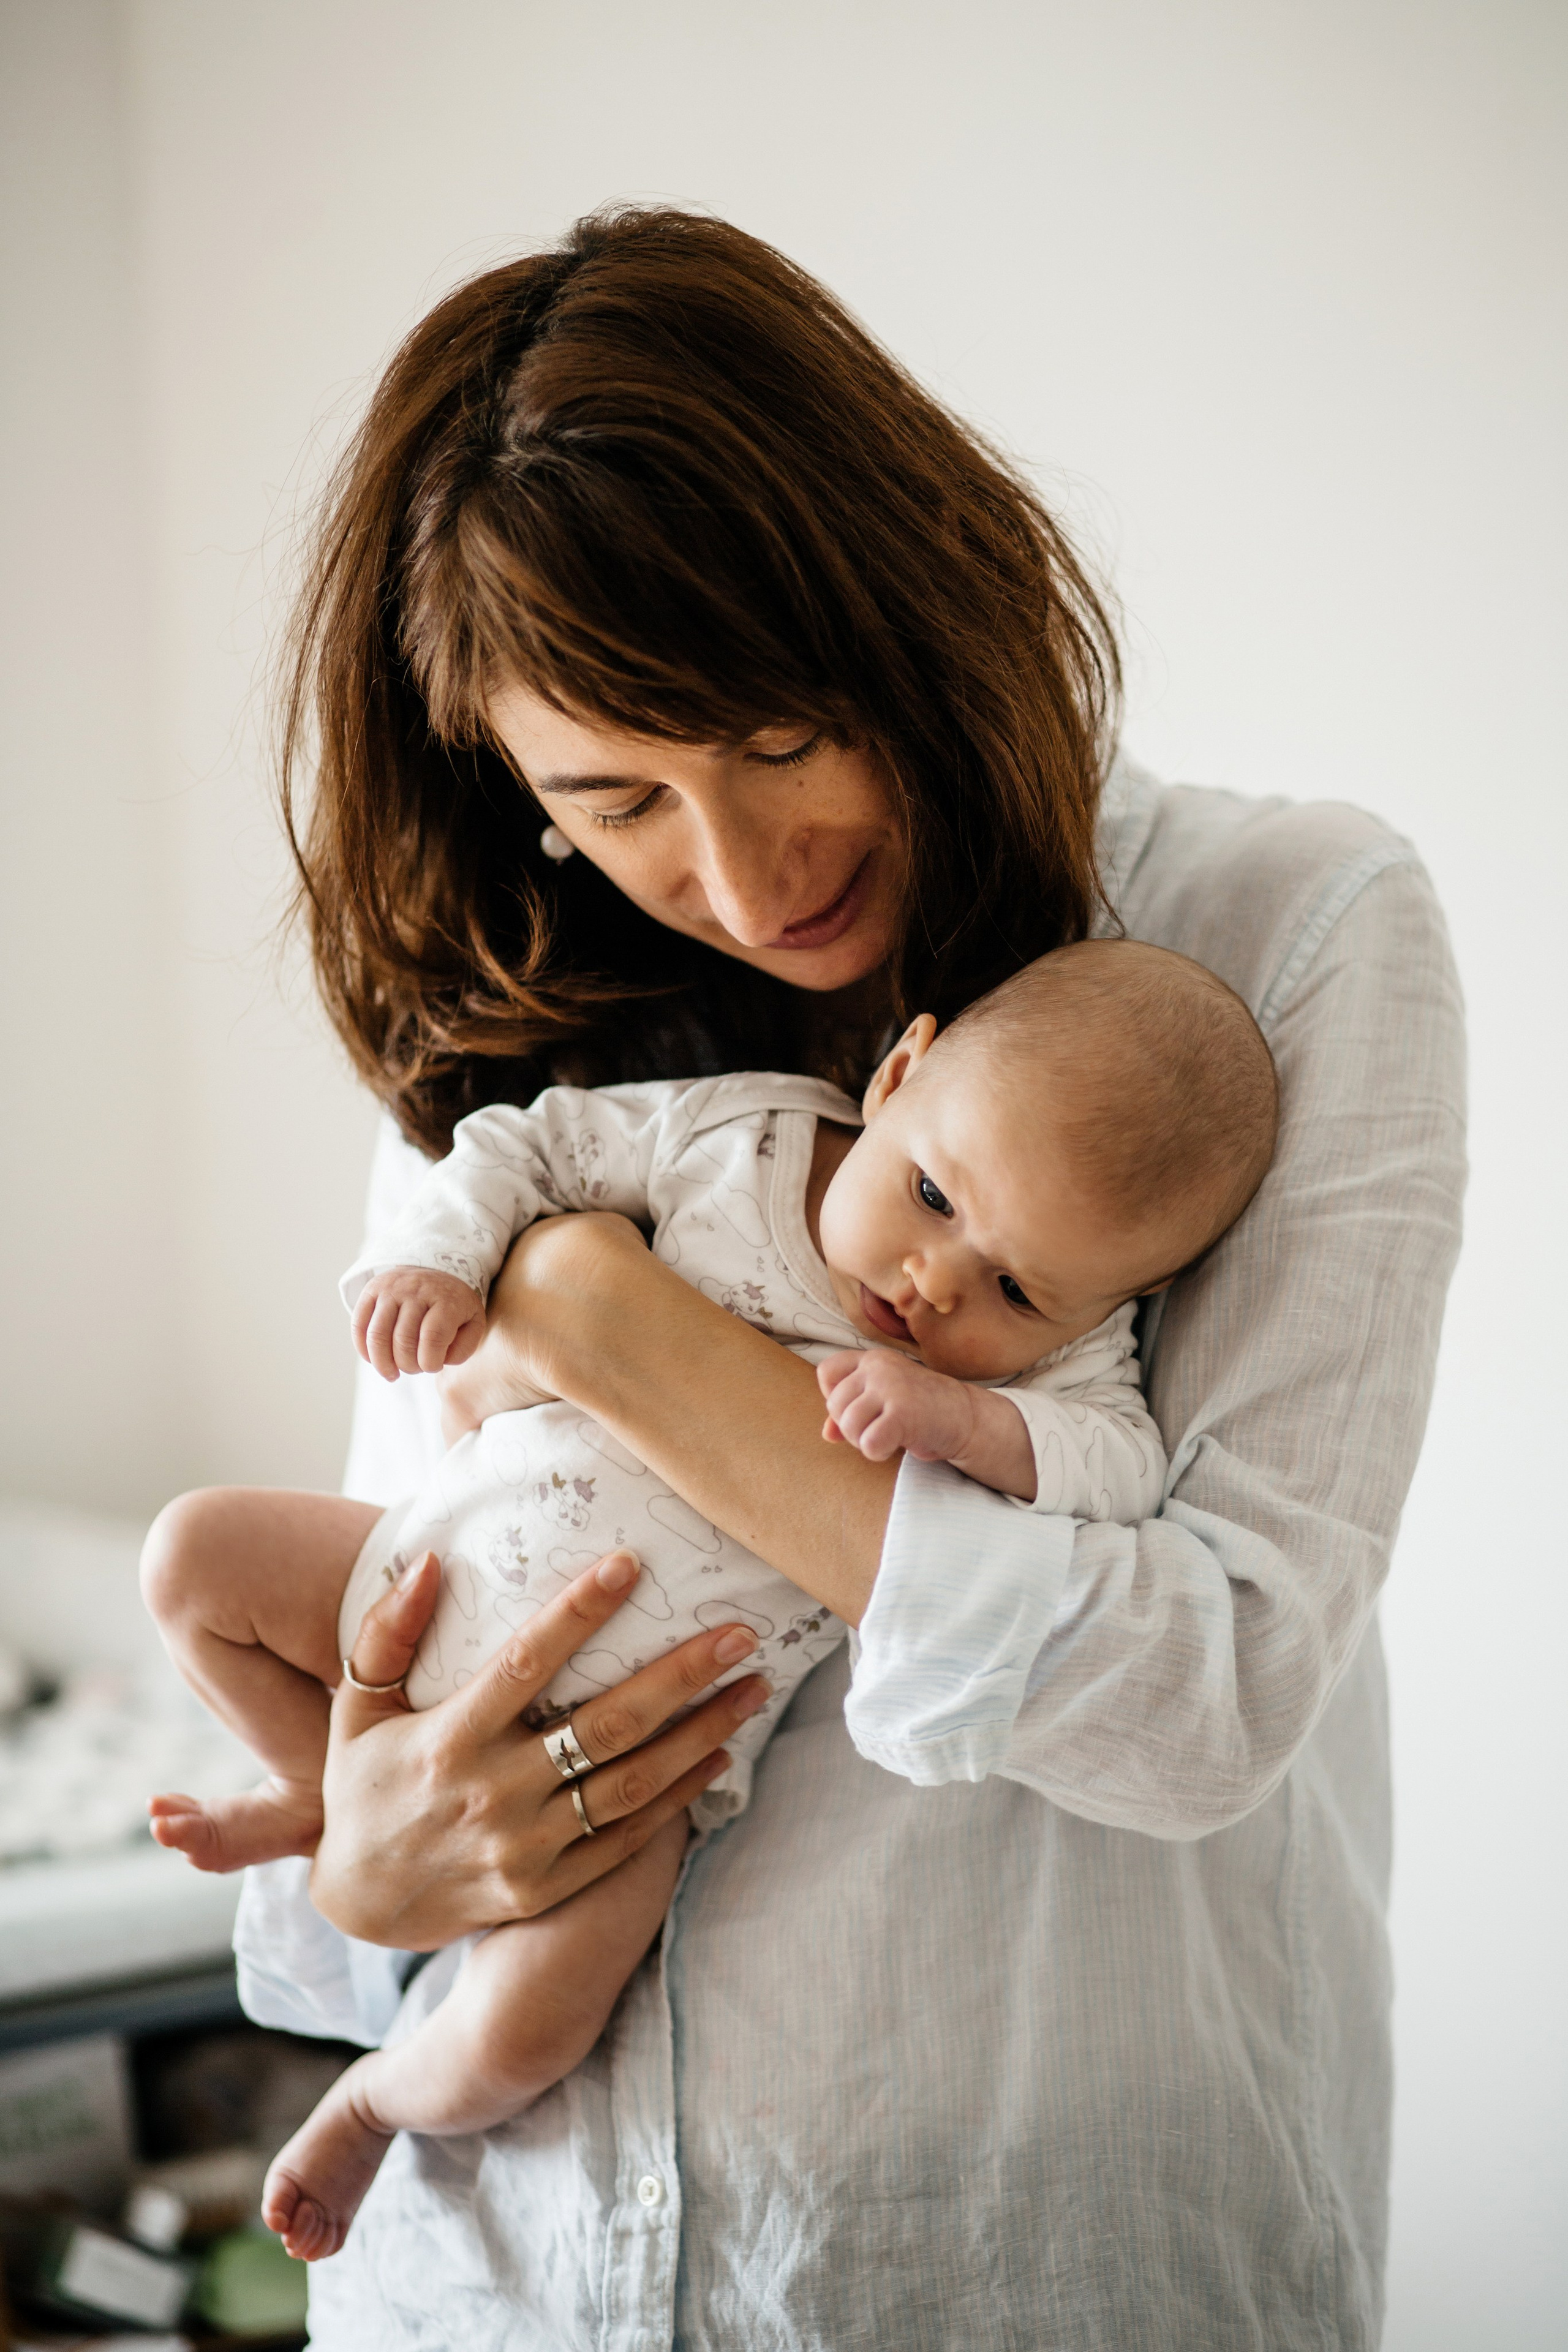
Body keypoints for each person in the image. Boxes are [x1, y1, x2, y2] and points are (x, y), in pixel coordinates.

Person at [225, 208, 1464, 2350]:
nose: (738, 869)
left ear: (904, 599)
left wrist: (610, 1328)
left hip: (1015, 2279)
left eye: (779, 734)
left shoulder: (1280, 938)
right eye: (616, 797)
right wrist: (354, 1874)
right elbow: (392, 1701)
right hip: (498, 2286)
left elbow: (1211, 1699)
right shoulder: (517, 1051)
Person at [143, 940, 1277, 2261]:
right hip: (423, 1567)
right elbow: (534, 1147)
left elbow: (1123, 1465)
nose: (933, 1281)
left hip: (640, 1775)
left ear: (1106, 1305)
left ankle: (372, 2100)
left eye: (1014, 1289)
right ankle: (320, 1783)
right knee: (193, 1559)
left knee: (524, 2027)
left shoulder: (1058, 1368)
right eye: (929, 1194)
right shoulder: (743, 1135)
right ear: (898, 1074)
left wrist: (969, 1423)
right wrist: (441, 1260)